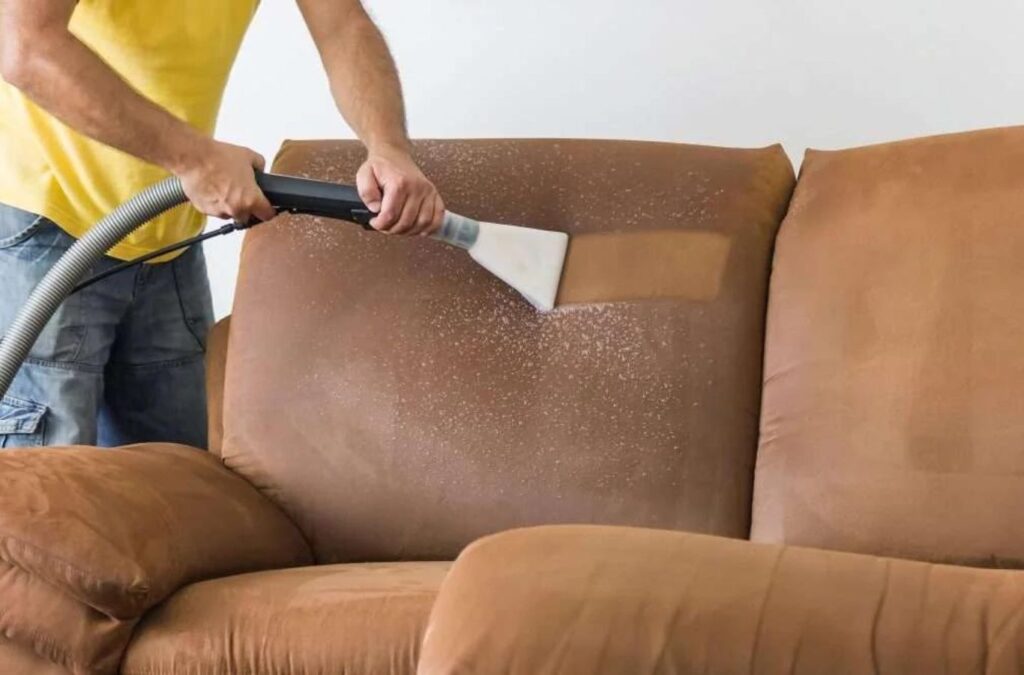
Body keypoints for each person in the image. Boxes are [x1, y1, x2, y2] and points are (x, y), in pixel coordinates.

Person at [0, 1, 443, 449]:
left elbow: (344, 26)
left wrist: (388, 147)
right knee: (44, 492)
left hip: (166, 236)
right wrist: (195, 159)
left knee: (178, 486)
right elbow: (26, 45)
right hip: (44, 224)